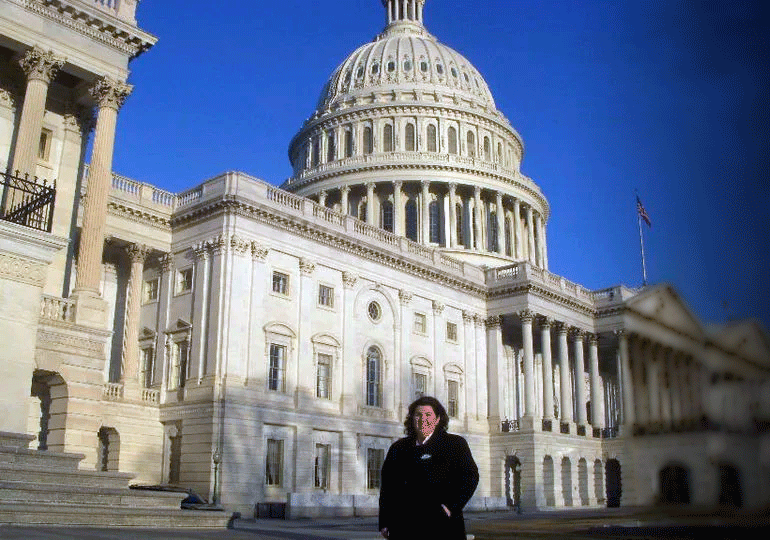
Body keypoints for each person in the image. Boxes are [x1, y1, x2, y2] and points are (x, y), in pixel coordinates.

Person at [378, 396, 479, 540]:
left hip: (442, 525)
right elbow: (388, 487)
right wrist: (385, 522)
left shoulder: (455, 444)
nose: (422, 419)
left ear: (437, 419)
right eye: (418, 415)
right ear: (412, 419)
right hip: (404, 526)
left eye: (428, 415)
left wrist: (449, 507)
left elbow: (470, 478)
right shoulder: (398, 448)